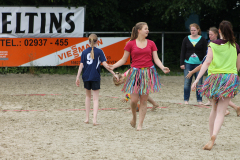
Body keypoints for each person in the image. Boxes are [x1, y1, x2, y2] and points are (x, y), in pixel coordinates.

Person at [109, 22, 170, 131]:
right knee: (133, 100)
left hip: (147, 73)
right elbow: (123, 59)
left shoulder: (151, 43)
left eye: (148, 28)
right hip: (135, 74)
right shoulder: (130, 44)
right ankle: (134, 117)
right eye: (145, 29)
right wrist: (113, 66)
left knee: (144, 100)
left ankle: (140, 125)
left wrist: (162, 67)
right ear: (139, 30)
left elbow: (156, 59)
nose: (148, 30)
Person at [191, 20, 240, 150]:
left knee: (213, 109)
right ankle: (214, 135)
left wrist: (197, 80)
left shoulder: (212, 45)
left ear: (219, 31)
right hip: (229, 78)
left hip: (214, 79)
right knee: (221, 112)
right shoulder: (235, 46)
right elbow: (238, 66)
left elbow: (207, 62)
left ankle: (211, 137)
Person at [186, 27, 240, 116]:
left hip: (216, 76)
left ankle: (227, 109)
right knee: (219, 94)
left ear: (217, 34)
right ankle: (232, 108)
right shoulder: (226, 45)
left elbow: (204, 63)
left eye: (211, 34)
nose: (210, 36)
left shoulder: (213, 46)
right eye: (209, 34)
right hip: (226, 76)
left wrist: (192, 72)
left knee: (213, 93)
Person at [76, 33, 117, 126]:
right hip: (95, 77)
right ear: (97, 41)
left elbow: (81, 65)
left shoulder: (84, 52)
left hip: (86, 77)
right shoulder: (99, 51)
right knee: (95, 99)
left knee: (88, 97)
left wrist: (77, 76)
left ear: (88, 41)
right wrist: (114, 73)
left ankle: (87, 119)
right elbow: (106, 65)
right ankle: (94, 120)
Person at [180, 23, 207, 105]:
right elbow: (183, 51)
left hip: (199, 64)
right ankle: (186, 99)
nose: (193, 31)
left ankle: (199, 100)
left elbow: (205, 52)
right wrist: (182, 63)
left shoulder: (202, 39)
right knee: (187, 82)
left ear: (198, 30)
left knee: (199, 82)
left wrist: (204, 63)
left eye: (194, 30)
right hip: (188, 63)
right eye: (191, 30)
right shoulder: (186, 39)